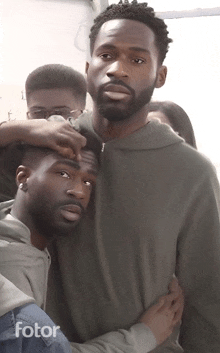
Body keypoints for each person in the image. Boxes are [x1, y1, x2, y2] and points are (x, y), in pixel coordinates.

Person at [0, 1, 219, 352]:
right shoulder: (48, 148)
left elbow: (208, 301)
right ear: (88, 69)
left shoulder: (192, 174)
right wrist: (17, 129)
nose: (118, 69)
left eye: (137, 59)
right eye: (106, 55)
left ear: (160, 75)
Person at [0, 137, 183, 352]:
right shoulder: (9, 260)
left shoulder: (34, 240)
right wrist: (145, 335)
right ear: (23, 177)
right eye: (64, 174)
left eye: (88, 182)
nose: (79, 191)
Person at [0, 64, 87, 202]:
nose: (49, 122)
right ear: (28, 116)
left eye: (60, 112)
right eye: (38, 113)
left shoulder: (93, 155)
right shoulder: (12, 154)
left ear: (82, 113)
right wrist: (16, 130)